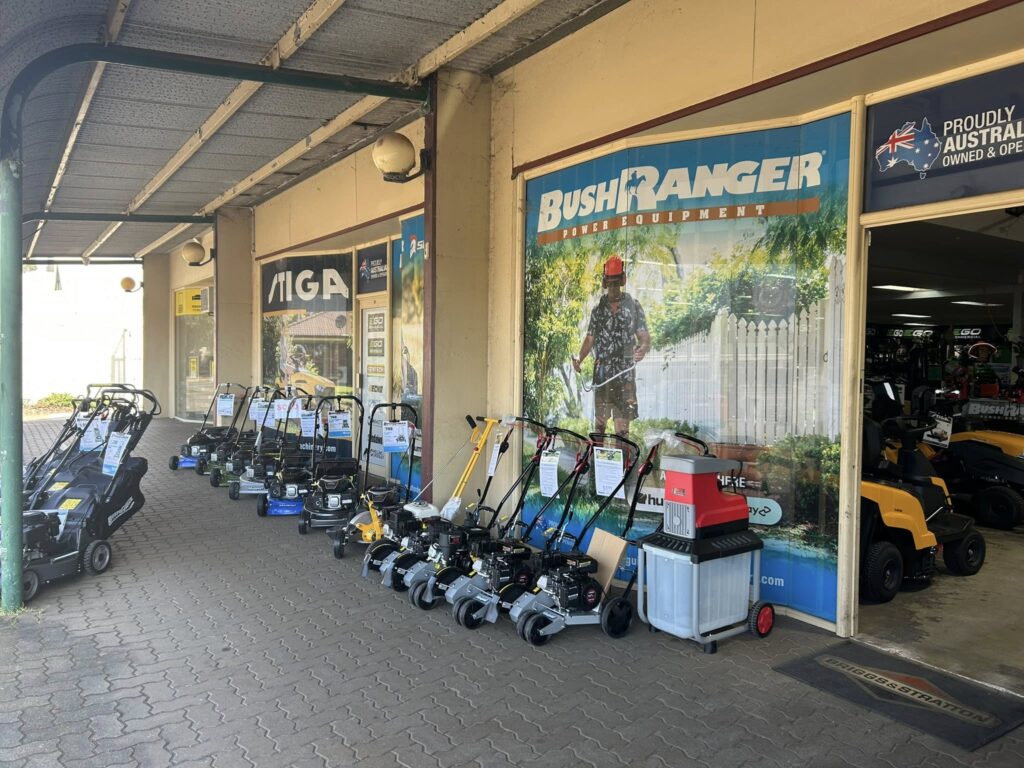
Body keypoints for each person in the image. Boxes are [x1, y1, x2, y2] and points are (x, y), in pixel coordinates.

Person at [573, 255, 651, 437]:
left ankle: (623, 465)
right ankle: (596, 464)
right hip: (603, 375)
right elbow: (590, 338)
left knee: (622, 430)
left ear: (623, 280)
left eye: (617, 283)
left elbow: (644, 336)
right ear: (605, 283)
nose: (614, 287)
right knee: (599, 427)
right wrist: (579, 358)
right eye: (610, 283)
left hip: (624, 374)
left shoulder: (633, 306)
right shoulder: (598, 310)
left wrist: (643, 348)